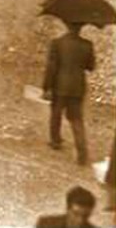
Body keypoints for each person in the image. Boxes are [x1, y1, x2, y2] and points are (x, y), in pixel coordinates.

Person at [42, 21, 95, 165]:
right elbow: (91, 67)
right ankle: (82, 153)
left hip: (60, 85)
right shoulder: (87, 45)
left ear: (67, 26)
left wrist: (46, 87)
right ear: (80, 28)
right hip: (78, 87)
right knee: (76, 119)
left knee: (56, 113)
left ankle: (55, 141)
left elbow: (51, 68)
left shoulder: (57, 43)